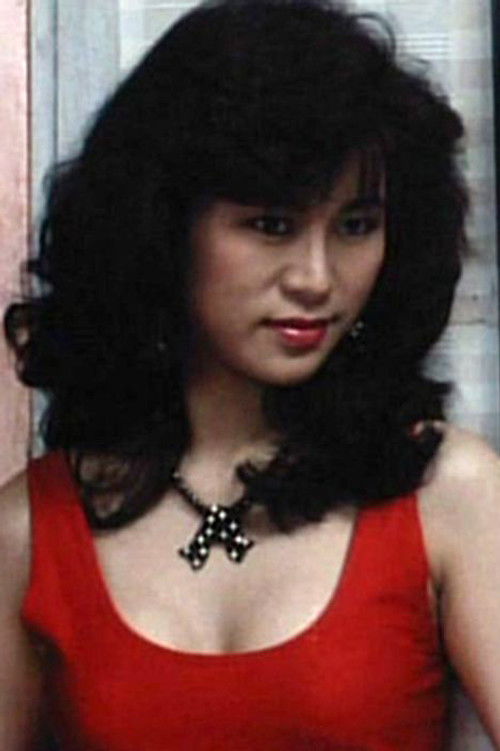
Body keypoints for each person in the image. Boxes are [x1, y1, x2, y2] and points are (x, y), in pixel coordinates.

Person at [1, 0, 499, 748]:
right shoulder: (28, 531)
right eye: (272, 225)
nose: (316, 277)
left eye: (356, 225)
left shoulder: (449, 492)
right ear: (163, 226)